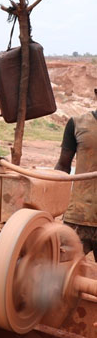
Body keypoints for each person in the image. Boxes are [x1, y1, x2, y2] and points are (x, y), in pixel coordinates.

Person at [55, 88, 97, 258]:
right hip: (79, 215)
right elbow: (63, 165)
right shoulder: (77, 123)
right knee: (64, 271)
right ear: (96, 93)